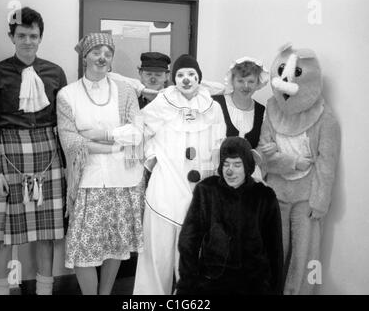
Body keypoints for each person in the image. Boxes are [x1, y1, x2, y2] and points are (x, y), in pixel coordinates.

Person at [0, 7, 67, 295]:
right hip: (9, 154)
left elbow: (64, 125)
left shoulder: (55, 72)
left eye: (34, 35)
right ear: (12, 37)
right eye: (22, 35)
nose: (28, 41)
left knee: (48, 233)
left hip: (48, 154)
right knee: (5, 234)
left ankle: (44, 292)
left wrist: (67, 166)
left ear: (41, 38)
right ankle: (2, 292)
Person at [56, 33, 144, 295]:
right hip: (88, 178)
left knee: (116, 244)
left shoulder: (125, 91)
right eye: (96, 52)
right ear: (85, 57)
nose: (102, 57)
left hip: (123, 178)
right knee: (83, 245)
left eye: (107, 53)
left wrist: (98, 136)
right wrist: (116, 144)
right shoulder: (67, 95)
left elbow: (137, 132)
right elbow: (70, 141)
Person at [133, 54, 226, 295]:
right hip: (164, 189)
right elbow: (138, 130)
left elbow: (219, 146)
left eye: (191, 75)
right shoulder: (162, 103)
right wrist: (151, 156)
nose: (186, 80)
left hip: (199, 191)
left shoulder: (213, 108)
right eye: (181, 75)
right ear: (173, 79)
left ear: (199, 78)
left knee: (192, 254)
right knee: (157, 255)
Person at [177, 137, 284, 295]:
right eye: (226, 164)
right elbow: (188, 242)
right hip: (212, 281)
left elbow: (274, 250)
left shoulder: (265, 197)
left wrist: (274, 290)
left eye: (237, 164)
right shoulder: (206, 191)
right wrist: (187, 284)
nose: (229, 171)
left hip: (253, 283)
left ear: (247, 166)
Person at [212, 57, 276, 180]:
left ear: (258, 83)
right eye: (240, 81)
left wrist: (273, 147)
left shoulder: (261, 111)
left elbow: (262, 145)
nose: (246, 86)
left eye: (251, 81)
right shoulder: (216, 104)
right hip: (218, 175)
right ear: (232, 81)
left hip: (249, 177)